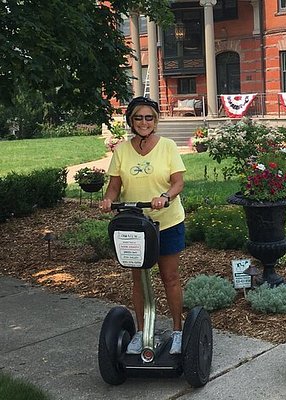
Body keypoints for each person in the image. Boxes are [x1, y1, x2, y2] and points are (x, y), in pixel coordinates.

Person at [100, 96, 186, 355]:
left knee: (169, 277)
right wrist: (107, 200)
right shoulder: (122, 150)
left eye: (149, 117)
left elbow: (178, 182)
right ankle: (141, 331)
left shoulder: (168, 146)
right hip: (135, 224)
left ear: (156, 121)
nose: (144, 122)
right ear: (131, 120)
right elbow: (115, 186)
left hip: (167, 222)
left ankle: (178, 331)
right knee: (139, 278)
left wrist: (165, 197)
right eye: (139, 117)